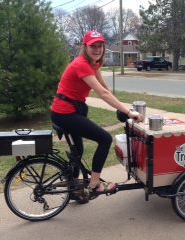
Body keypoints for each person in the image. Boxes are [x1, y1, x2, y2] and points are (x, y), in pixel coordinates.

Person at [51, 31, 143, 197]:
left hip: (68, 110)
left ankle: (74, 188)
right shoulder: (81, 64)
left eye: (100, 45)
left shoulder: (94, 64)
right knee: (105, 139)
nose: (97, 49)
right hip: (65, 113)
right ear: (84, 47)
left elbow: (105, 87)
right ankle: (94, 184)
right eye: (93, 45)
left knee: (77, 150)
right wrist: (128, 111)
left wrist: (120, 107)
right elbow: (102, 93)